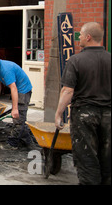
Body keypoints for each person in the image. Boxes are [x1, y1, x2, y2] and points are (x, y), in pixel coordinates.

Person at [55, 22, 111, 185]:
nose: (78, 37)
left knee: (86, 158)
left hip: (85, 115)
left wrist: (59, 113)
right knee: (107, 157)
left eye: (80, 34)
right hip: (108, 115)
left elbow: (67, 91)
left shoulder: (76, 60)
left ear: (88, 37)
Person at [0, 49, 34, 150]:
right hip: (17, 89)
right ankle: (28, 141)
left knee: (18, 118)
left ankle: (13, 143)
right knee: (19, 118)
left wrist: (15, 108)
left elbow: (13, 88)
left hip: (23, 90)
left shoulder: (6, 69)